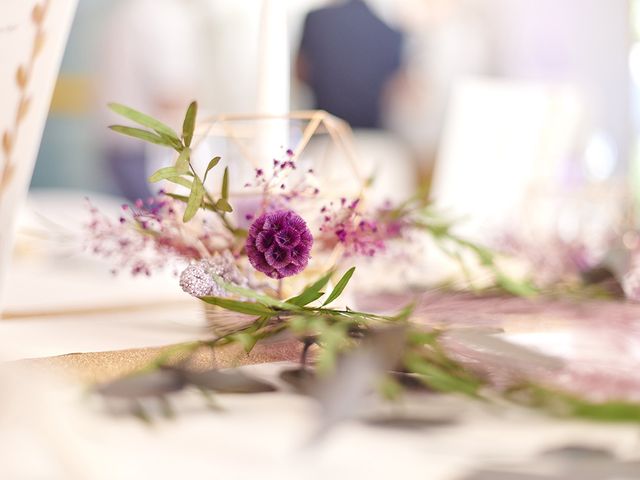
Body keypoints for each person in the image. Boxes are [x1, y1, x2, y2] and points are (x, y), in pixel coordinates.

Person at [296, 0, 404, 129]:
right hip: (372, 135)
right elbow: (394, 89)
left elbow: (300, 72)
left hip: (323, 131)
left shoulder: (315, 20)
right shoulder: (393, 33)